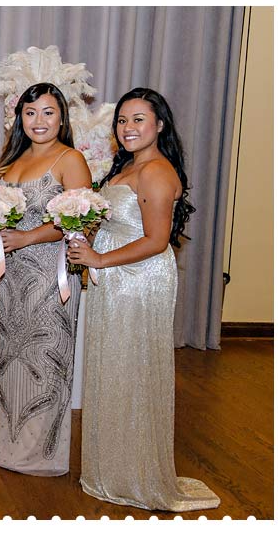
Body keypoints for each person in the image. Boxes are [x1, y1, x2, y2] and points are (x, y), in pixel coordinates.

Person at [68, 87, 220, 511]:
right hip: (113, 280)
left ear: (159, 125)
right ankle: (111, 468)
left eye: (138, 119)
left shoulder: (155, 171)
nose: (128, 127)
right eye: (122, 120)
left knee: (131, 371)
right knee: (112, 370)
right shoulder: (128, 167)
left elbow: (155, 242)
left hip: (137, 282)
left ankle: (133, 474)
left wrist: (97, 258)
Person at [0, 83, 92, 476]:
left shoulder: (70, 159)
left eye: (48, 112)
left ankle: (42, 454)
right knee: (10, 362)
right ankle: (8, 447)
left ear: (61, 117)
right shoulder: (8, 163)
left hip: (51, 278)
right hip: (10, 278)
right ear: (20, 119)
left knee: (44, 364)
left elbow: (79, 218)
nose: (39, 121)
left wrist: (27, 236)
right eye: (30, 113)